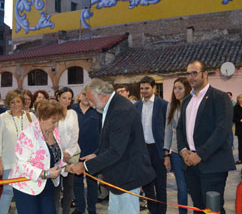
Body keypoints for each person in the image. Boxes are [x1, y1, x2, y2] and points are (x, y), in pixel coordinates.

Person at [70, 78, 156, 214]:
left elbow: (116, 150)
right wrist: (97, 154)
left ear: (102, 96)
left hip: (127, 175)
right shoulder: (112, 106)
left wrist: (85, 166)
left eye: (91, 101)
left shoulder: (120, 110)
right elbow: (112, 141)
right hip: (119, 175)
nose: (91, 105)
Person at [176, 60, 235, 214]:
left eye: (194, 73)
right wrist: (183, 150)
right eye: (188, 73)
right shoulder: (187, 100)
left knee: (212, 208)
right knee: (198, 207)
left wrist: (200, 154)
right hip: (190, 164)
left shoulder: (220, 97)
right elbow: (181, 128)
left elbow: (222, 131)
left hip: (212, 163)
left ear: (205, 74)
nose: (191, 77)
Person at [9, 99, 65, 214]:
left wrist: (64, 167)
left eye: (57, 121)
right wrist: (45, 173)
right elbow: (21, 165)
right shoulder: (27, 134)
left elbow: (54, 156)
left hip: (46, 184)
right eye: (53, 122)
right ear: (42, 118)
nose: (56, 125)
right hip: (26, 186)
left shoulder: (54, 131)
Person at [0, 90, 36, 214]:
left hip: (27, 163)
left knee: (24, 192)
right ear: (8, 104)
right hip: (9, 162)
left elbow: (36, 139)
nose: (16, 104)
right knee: (7, 191)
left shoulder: (31, 117)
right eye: (12, 102)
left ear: (23, 103)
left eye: (18, 101)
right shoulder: (2, 118)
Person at [135, 76, 168, 214]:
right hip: (143, 150)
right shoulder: (136, 106)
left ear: (153, 88)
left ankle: (161, 211)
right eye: (141, 88)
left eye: (147, 88)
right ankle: (152, 210)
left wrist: (167, 154)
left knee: (160, 185)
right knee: (147, 183)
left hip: (158, 149)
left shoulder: (163, 105)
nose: (144, 91)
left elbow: (168, 130)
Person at [163, 77, 191, 214]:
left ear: (187, 89)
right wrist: (166, 153)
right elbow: (168, 130)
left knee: (194, 187)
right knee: (182, 187)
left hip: (192, 152)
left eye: (180, 88)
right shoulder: (171, 105)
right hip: (175, 151)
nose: (176, 91)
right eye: (175, 88)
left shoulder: (193, 103)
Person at [71, 90, 101, 214]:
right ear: (79, 95)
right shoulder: (72, 111)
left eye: (88, 95)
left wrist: (98, 152)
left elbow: (102, 133)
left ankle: (92, 209)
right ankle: (80, 208)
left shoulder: (97, 112)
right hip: (75, 152)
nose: (85, 97)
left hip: (92, 152)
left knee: (92, 183)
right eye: (83, 94)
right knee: (77, 182)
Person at [54, 87, 80, 214]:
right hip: (55, 155)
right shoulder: (52, 113)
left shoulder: (73, 114)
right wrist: (60, 153)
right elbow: (51, 135)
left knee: (69, 186)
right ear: (58, 97)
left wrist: (68, 153)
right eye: (64, 98)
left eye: (69, 98)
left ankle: (66, 211)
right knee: (56, 187)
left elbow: (75, 134)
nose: (66, 101)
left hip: (71, 155)